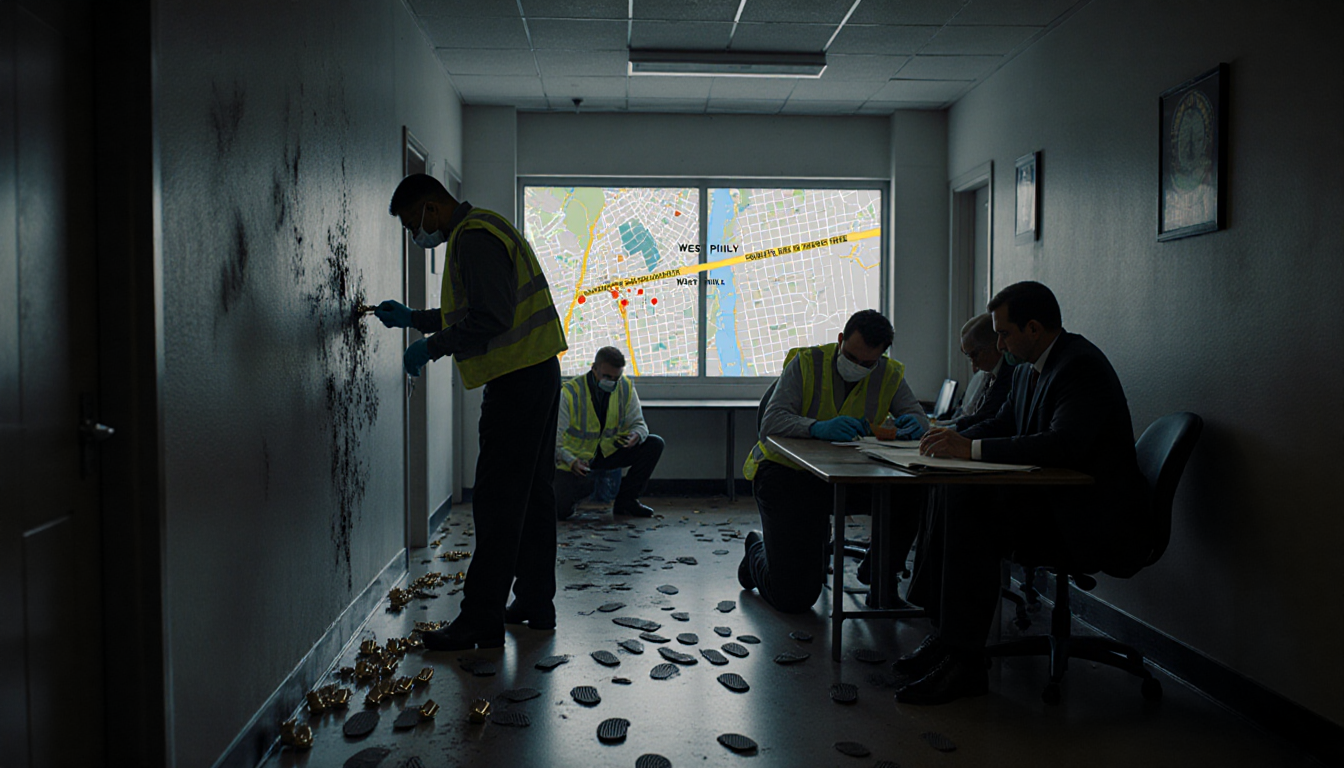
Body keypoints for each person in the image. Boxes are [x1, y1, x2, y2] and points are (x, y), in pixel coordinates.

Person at [898, 281, 1148, 705]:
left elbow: (1061, 444)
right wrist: (944, 448)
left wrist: (969, 449)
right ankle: (948, 637)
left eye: (1003, 333)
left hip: (1087, 517)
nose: (998, 343)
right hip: (1051, 504)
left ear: (1033, 328)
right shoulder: (1029, 369)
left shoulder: (1078, 367)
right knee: (946, 484)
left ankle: (966, 662)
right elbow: (1004, 424)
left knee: (969, 502)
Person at [372, 173, 567, 649]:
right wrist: (414, 319)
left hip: (517, 383)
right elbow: (472, 309)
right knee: (533, 497)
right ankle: (536, 604)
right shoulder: (482, 228)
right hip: (535, 374)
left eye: (411, 226)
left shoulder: (473, 238)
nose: (416, 237)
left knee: (497, 503)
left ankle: (481, 619)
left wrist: (430, 348)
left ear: (430, 209)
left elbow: (490, 318)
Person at [738, 310, 930, 613]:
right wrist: (815, 427)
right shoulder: (806, 364)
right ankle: (756, 551)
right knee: (795, 597)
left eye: (868, 363)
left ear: (881, 355)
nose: (858, 367)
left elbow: (918, 416)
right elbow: (771, 422)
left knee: (911, 490)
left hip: (848, 475)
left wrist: (917, 424)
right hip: (788, 477)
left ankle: (880, 576)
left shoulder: (888, 374)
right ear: (841, 340)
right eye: (851, 357)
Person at [554, 346, 665, 520]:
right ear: (594, 369)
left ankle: (627, 502)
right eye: (607, 377)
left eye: (616, 378)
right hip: (577, 460)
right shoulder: (570, 393)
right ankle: (576, 493)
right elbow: (555, 441)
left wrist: (636, 435)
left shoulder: (625, 387)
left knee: (654, 444)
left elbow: (639, 424)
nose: (611, 382)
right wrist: (571, 461)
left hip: (609, 451)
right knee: (559, 511)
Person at [935, 313, 1014, 431]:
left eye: (975, 354)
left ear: (995, 345)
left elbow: (986, 418)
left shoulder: (1010, 375)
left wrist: (949, 431)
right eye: (968, 356)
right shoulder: (989, 374)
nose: (973, 365)